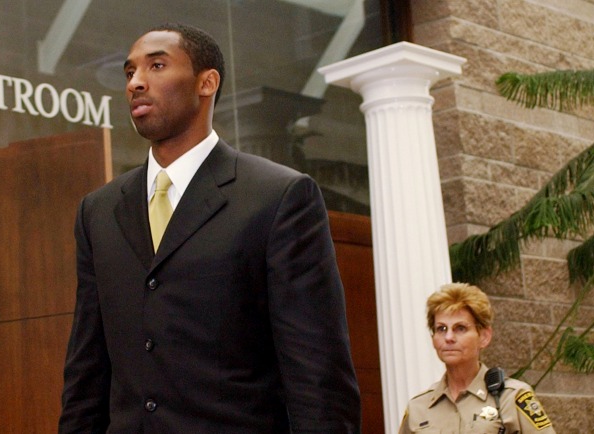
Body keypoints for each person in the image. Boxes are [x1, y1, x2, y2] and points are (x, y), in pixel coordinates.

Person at [58, 22, 361, 433]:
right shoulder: (99, 210)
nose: (136, 83)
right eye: (130, 73)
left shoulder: (278, 197)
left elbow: (319, 374)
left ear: (207, 82)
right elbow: (86, 371)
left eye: (157, 66)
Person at [398, 283, 556, 433]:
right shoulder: (418, 408)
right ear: (433, 339)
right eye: (441, 329)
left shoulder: (511, 398)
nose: (449, 337)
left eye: (460, 328)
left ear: (484, 337)